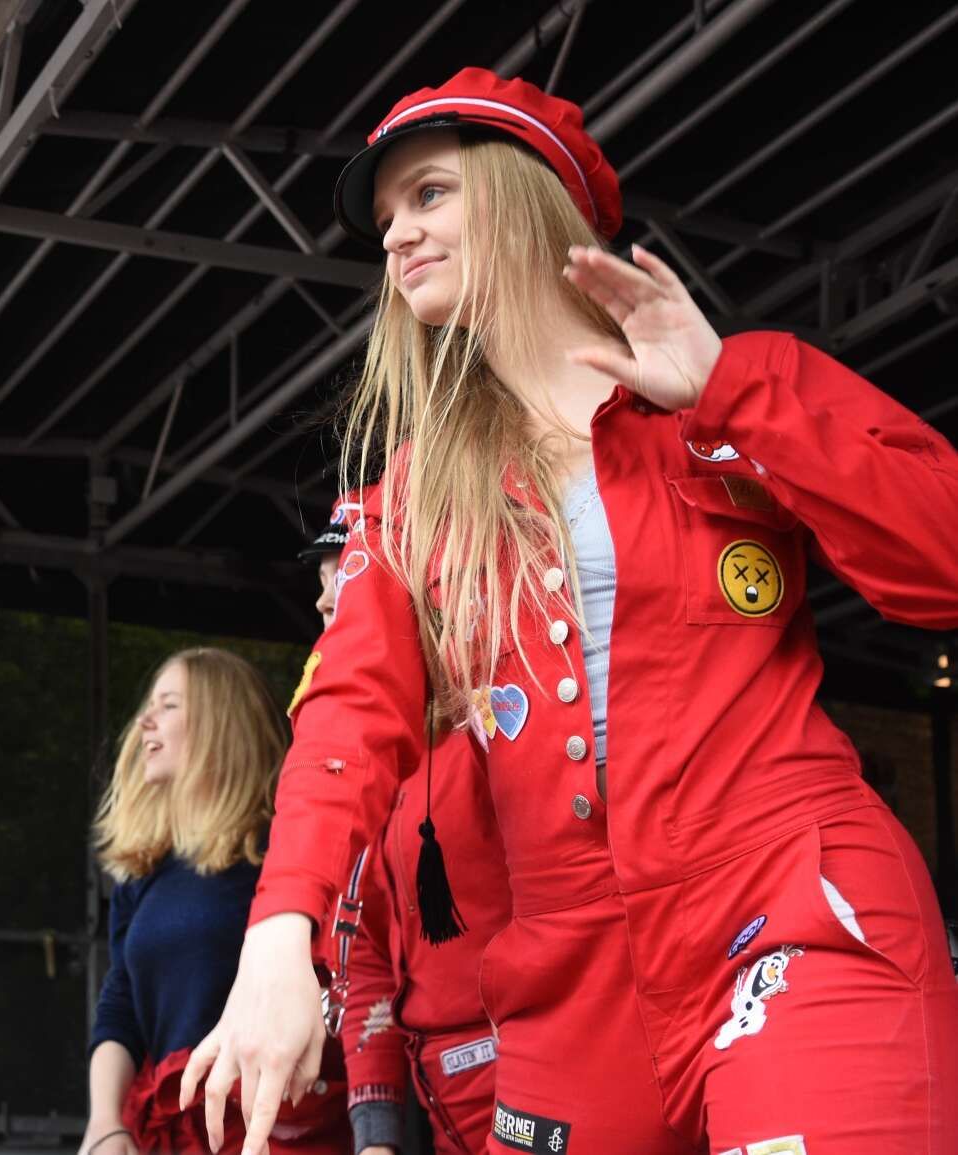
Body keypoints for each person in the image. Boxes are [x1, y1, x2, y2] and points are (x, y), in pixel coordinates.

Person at [184, 67, 958, 1154]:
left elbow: (941, 564)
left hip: (788, 899)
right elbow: (348, 713)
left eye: (430, 194)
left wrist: (732, 394)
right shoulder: (408, 498)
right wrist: (278, 934)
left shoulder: (733, 389)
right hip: (566, 980)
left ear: (523, 195)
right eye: (388, 217)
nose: (397, 234)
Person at [299, 509, 510, 1155]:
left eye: (345, 575)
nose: (323, 600)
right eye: (322, 585)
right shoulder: (354, 767)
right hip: (443, 1111)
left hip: (548, 1089)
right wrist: (377, 1137)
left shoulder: (495, 726)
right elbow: (361, 953)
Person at [84, 648, 348, 1155]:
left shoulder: (285, 854)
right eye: (149, 706)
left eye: (169, 705)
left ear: (221, 723)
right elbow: (121, 1004)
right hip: (172, 1130)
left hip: (276, 1129)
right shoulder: (142, 871)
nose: (144, 721)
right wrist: (104, 1123)